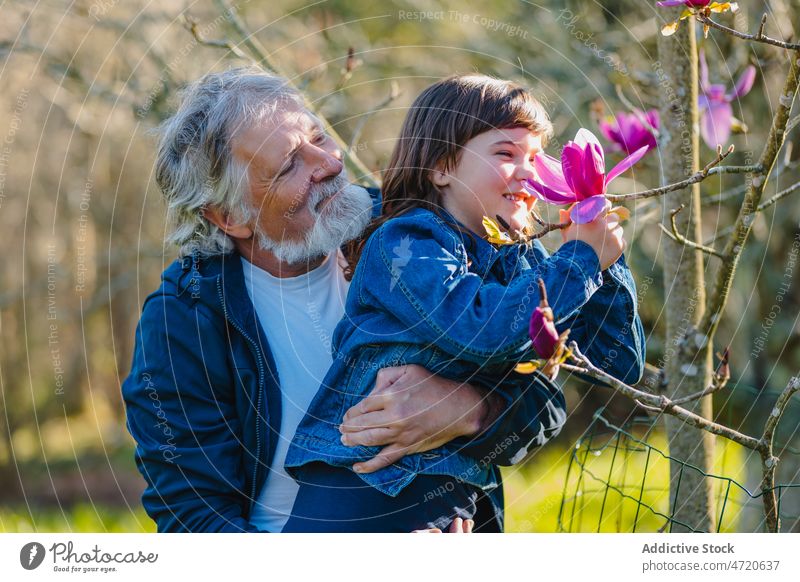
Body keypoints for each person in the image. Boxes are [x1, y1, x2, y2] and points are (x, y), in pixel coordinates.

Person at [121, 68, 587, 533]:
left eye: (319, 138)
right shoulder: (181, 322)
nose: (327, 165)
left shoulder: (425, 232)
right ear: (229, 217)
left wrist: (468, 409)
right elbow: (192, 516)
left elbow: (545, 398)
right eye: (289, 166)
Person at [282, 74, 645, 532]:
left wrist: (606, 262)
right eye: (506, 154)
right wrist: (581, 260)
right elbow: (481, 330)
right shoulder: (408, 242)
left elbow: (618, 365)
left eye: (535, 157)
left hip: (455, 499)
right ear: (441, 167)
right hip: (363, 495)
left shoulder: (529, 262)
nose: (531, 173)